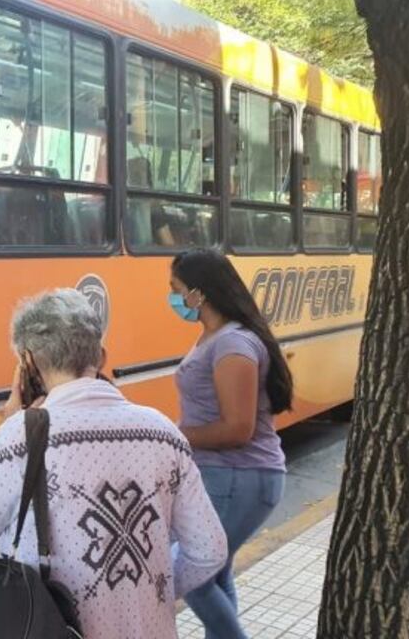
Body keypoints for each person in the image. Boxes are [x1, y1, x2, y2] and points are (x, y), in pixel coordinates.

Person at [0, 289, 228, 638]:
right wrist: (154, 589)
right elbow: (210, 549)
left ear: (28, 363)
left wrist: (9, 426)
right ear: (102, 356)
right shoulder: (162, 431)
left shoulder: (20, 437)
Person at [168, 248, 292, 639]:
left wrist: (171, 434)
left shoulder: (233, 345)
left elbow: (238, 428)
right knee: (213, 570)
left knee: (190, 572)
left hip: (240, 477)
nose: (173, 298)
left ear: (199, 293)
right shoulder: (216, 337)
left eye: (176, 289)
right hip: (225, 476)